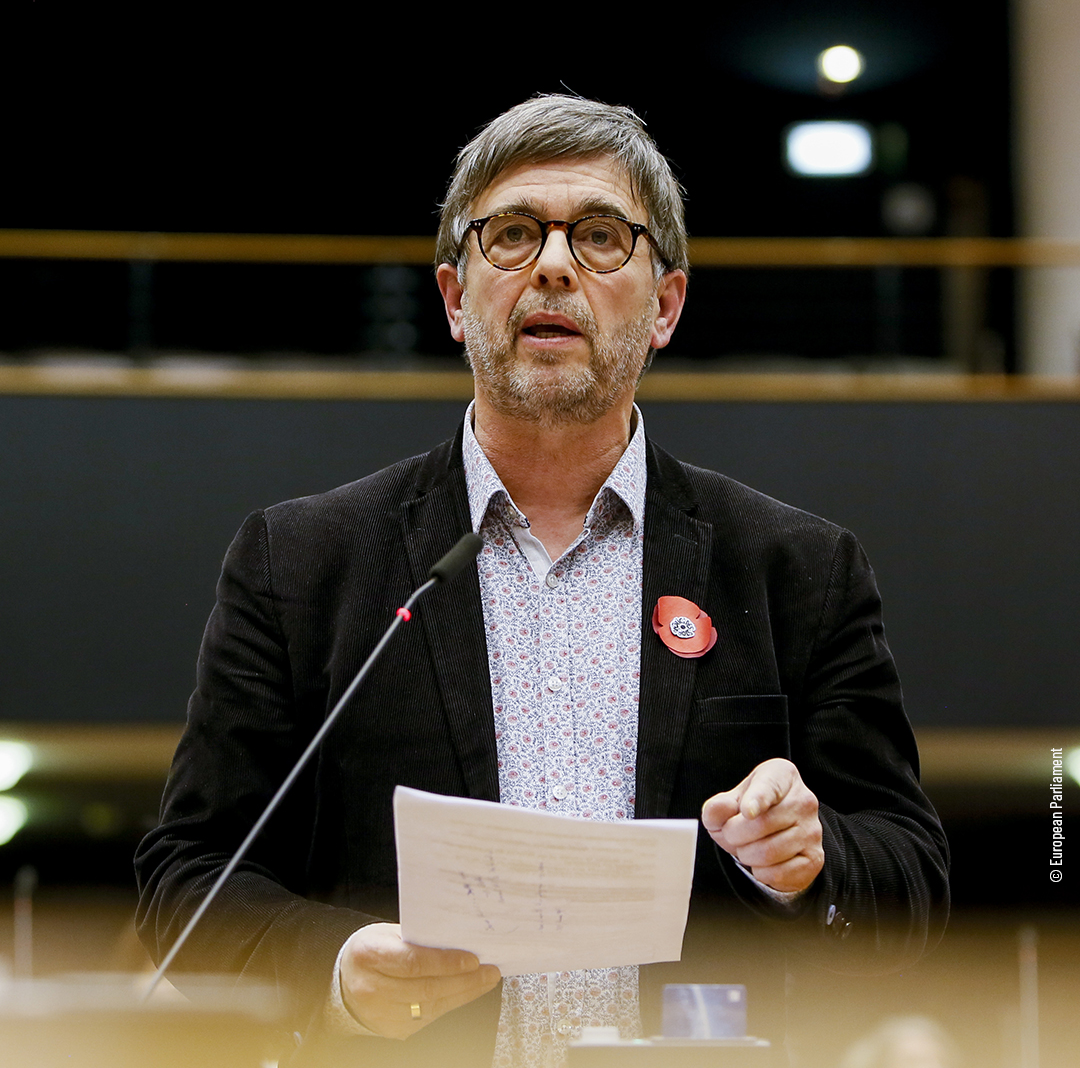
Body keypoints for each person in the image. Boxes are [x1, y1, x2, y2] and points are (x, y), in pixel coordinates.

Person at [136, 95, 949, 1068]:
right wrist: (339, 973)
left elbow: (912, 878)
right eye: (513, 234)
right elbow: (188, 876)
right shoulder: (302, 561)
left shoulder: (797, 569)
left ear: (665, 307)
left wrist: (811, 861)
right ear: (453, 298)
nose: (554, 265)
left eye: (601, 237)